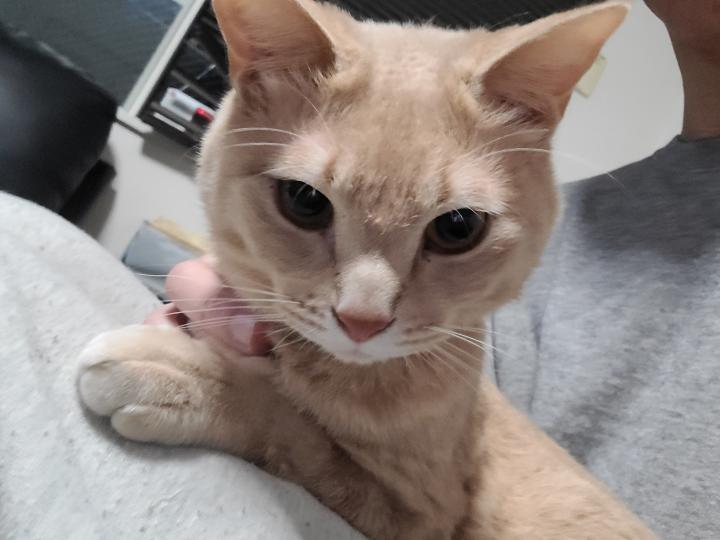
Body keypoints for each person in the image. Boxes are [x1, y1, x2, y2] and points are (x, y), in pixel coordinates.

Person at [150, 1, 720, 537]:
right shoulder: (558, 235)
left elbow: (417, 518)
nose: (364, 311)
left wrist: (255, 420)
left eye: (454, 229)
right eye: (307, 201)